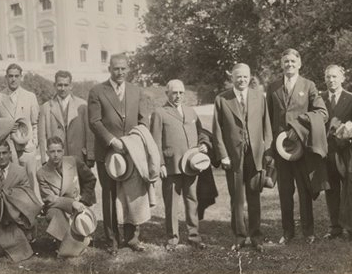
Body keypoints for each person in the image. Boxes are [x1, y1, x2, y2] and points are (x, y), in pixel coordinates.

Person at [267, 48, 329, 245]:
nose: (289, 65)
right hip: (280, 149)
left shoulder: (309, 85)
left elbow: (322, 112)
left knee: (304, 190)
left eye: (293, 61)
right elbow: (267, 118)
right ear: (281, 64)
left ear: (299, 64)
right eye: (286, 61)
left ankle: (308, 232)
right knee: (285, 191)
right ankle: (287, 232)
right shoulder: (273, 87)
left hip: (301, 148)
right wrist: (270, 147)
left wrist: (299, 126)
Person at [88, 54, 149, 252]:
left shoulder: (136, 91)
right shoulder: (97, 91)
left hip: (131, 152)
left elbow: (143, 120)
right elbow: (94, 121)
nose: (120, 72)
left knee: (132, 193)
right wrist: (112, 141)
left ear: (128, 69)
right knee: (109, 194)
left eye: (123, 68)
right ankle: (112, 240)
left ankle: (132, 238)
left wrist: (136, 141)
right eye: (116, 69)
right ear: (109, 69)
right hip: (107, 152)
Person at [214, 63, 273, 251]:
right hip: (233, 157)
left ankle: (256, 236)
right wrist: (223, 155)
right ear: (232, 77)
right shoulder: (222, 99)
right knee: (237, 199)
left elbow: (267, 126)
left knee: (254, 197)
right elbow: (216, 131)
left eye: (245, 76)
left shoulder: (259, 97)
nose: (242, 80)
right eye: (238, 77)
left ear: (250, 77)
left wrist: (267, 152)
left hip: (255, 156)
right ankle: (239, 236)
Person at [150, 79, 210, 249]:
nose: (178, 96)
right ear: (167, 93)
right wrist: (160, 164)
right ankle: (172, 238)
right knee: (171, 204)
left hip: (191, 165)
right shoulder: (159, 113)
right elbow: (155, 142)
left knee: (192, 200)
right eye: (174, 92)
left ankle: (194, 236)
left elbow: (202, 133)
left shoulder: (191, 112)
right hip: (171, 166)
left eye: (181, 92)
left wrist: (204, 144)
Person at [320, 64, 352, 240]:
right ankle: (335, 227)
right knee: (331, 189)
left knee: (350, 190)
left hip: (347, 152)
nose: (331, 80)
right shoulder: (320, 98)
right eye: (328, 77)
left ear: (342, 78)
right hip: (327, 152)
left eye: (334, 77)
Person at [0, 139, 42, 262]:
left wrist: (7, 196)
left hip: (14, 218)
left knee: (16, 248)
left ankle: (24, 235)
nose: (1, 157)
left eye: (4, 153)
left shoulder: (20, 171)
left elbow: (26, 196)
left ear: (9, 153)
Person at [37, 136, 97, 257]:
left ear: (63, 151)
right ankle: (66, 242)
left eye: (59, 151)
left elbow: (90, 179)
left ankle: (76, 240)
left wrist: (83, 199)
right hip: (57, 206)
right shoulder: (42, 172)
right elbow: (50, 199)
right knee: (53, 213)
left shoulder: (74, 161)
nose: (55, 155)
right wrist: (71, 203)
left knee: (77, 238)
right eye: (52, 151)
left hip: (78, 204)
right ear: (47, 152)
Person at [0, 64, 41, 198]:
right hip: (7, 150)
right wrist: (6, 126)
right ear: (6, 77)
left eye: (16, 76)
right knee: (9, 184)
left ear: (21, 77)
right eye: (10, 76)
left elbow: (35, 122)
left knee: (31, 182)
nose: (13, 79)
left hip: (27, 149)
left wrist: (34, 143)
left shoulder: (30, 96)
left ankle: (34, 212)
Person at [38, 70, 92, 165]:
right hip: (55, 158)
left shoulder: (82, 105)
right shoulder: (46, 107)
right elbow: (42, 137)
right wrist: (44, 159)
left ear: (71, 86)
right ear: (54, 85)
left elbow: (89, 133)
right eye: (59, 85)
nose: (62, 88)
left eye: (66, 85)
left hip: (79, 157)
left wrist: (90, 156)